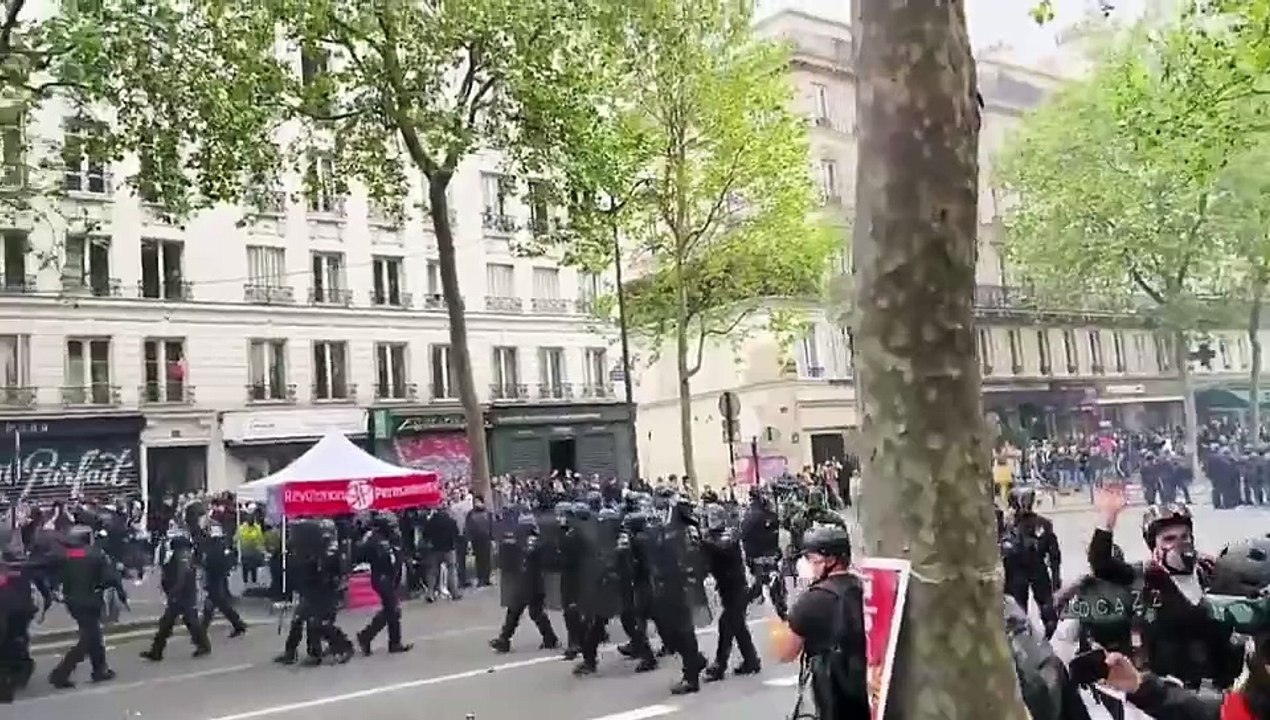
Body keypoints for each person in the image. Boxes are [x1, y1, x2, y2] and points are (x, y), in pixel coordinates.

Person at [769, 525, 868, 719]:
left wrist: (781, 617)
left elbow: (786, 653)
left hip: (834, 695)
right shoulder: (862, 586)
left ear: (830, 560)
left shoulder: (811, 600)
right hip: (866, 692)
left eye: (812, 559)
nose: (807, 565)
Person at [141, 530, 211, 662]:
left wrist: (173, 593)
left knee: (188, 622)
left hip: (182, 595)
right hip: (183, 594)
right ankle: (157, 650)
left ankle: (202, 645)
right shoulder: (184, 555)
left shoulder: (182, 556)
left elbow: (181, 577)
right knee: (170, 623)